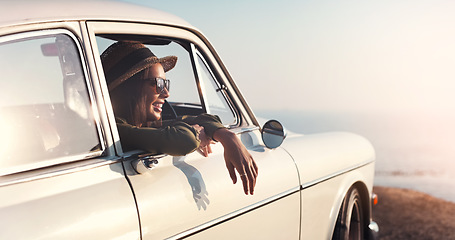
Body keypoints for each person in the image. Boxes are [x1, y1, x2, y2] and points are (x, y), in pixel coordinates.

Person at [101, 41, 258, 195]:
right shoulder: (117, 130)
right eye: (159, 84)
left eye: (166, 84)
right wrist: (196, 134)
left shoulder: (138, 127)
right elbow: (185, 140)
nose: (166, 93)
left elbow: (197, 119)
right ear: (129, 88)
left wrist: (226, 135)